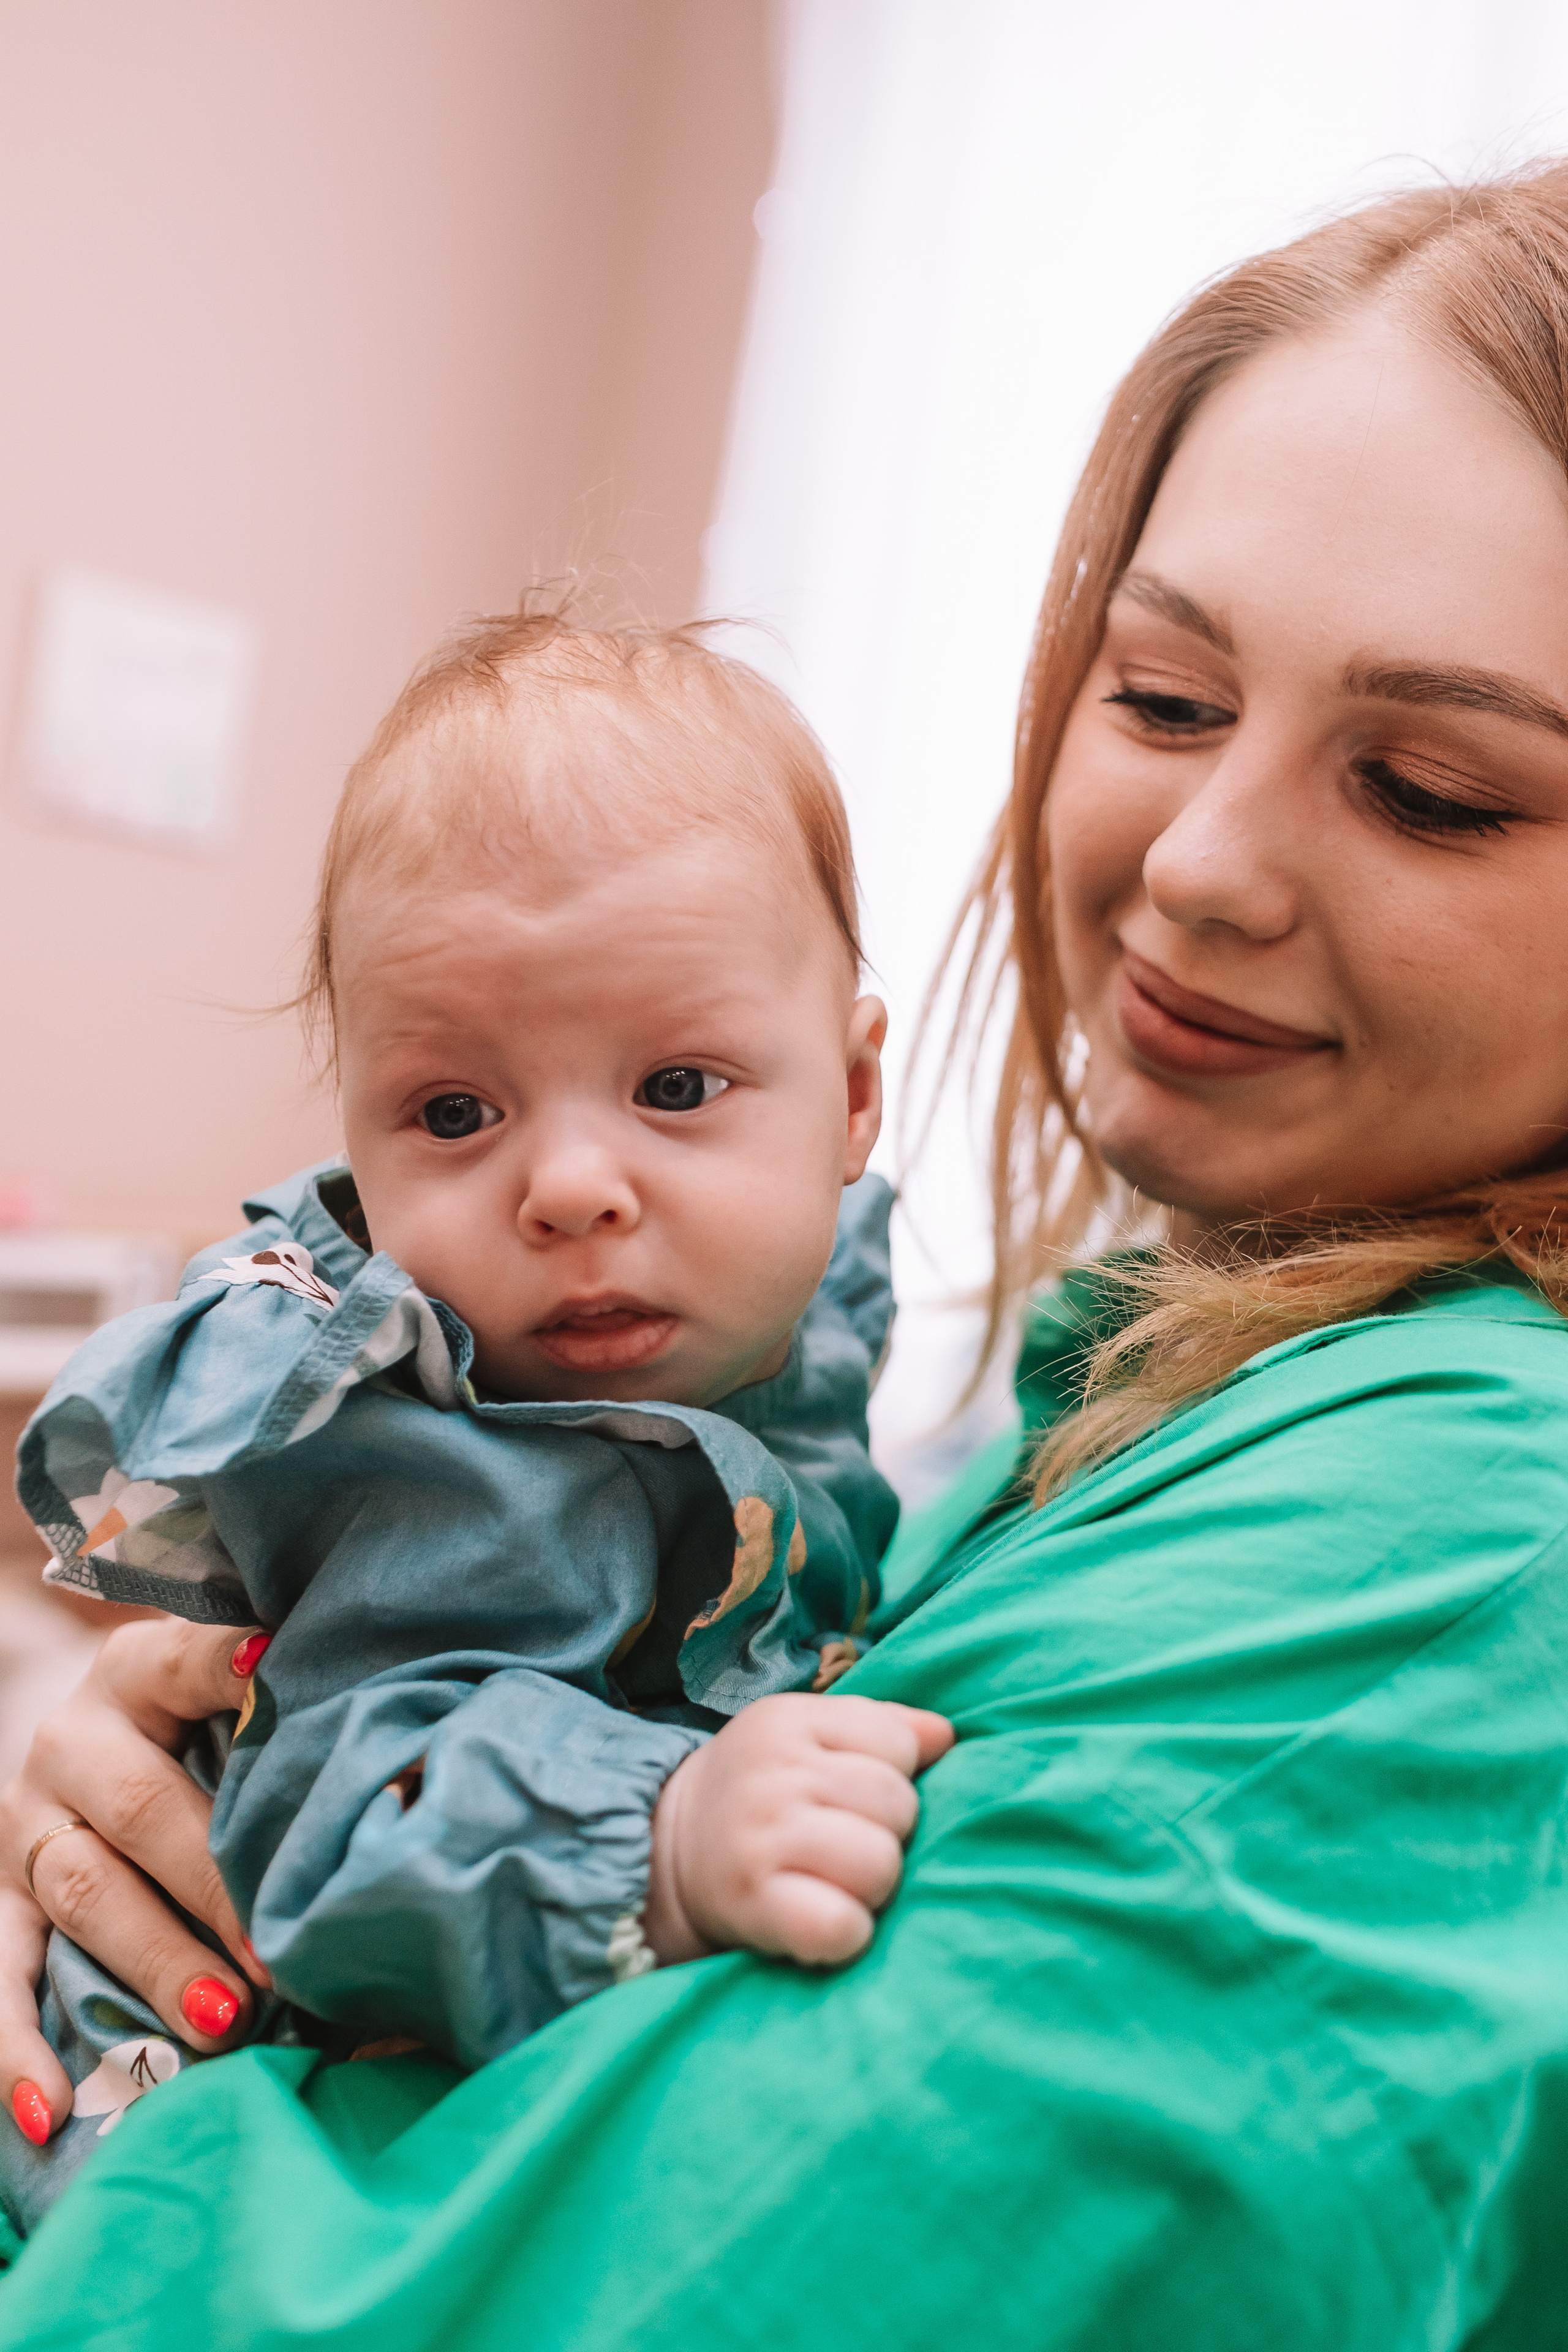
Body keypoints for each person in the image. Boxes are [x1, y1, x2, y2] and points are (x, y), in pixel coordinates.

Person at [3, 159, 1568, 2348]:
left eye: (1432, 787)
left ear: (844, 1079)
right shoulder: (1105, 1397)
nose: (1198, 868)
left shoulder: (1477, 1523)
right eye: (1166, 698)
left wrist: (127, 2149)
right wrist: (220, 1772)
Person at [0, 615, 952, 2237]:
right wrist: (656, 1835)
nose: (570, 1185)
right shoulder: (428, 1448)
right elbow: (343, 1803)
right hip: (162, 2129)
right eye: (456, 1113)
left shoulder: (807, 1317)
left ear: (855, 1098)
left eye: (676, 1085)